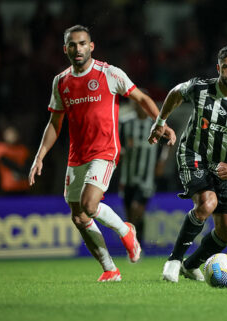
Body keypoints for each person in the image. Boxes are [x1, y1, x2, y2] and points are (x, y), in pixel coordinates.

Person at [28, 25, 176, 282]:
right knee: (79, 215)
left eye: (83, 43)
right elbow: (55, 123)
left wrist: (160, 122)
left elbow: (141, 98)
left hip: (105, 150)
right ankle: (110, 269)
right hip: (77, 156)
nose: (78, 49)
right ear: (65, 49)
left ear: (91, 46)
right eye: (72, 45)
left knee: (89, 204)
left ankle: (125, 230)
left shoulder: (109, 73)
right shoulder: (61, 82)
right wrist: (40, 155)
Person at [148, 45, 227, 283]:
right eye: (226, 67)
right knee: (207, 203)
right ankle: (174, 260)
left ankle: (191, 265)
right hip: (194, 154)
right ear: (218, 68)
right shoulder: (201, 88)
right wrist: (161, 120)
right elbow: (175, 92)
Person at [119, 103, 170, 244]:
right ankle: (136, 242)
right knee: (130, 212)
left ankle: (137, 242)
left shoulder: (156, 125)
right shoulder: (125, 123)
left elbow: (166, 144)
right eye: (138, 105)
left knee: (137, 208)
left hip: (146, 178)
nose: (141, 108)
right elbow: (117, 143)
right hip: (127, 176)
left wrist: (161, 162)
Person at [0, 125, 31, 194]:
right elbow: (6, 162)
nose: (11, 136)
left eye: (13, 134)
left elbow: (28, 165)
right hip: (7, 187)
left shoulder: (22, 149)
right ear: (4, 135)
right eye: (9, 134)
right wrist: (21, 170)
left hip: (23, 186)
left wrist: (25, 171)